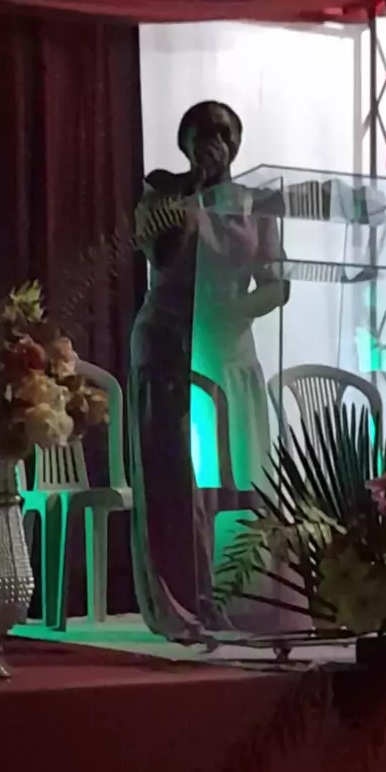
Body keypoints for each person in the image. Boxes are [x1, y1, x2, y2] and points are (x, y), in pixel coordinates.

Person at [128, 101, 289, 642]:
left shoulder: (257, 202)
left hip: (228, 347)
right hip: (170, 347)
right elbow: (162, 255)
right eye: (203, 134)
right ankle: (183, 602)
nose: (214, 142)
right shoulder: (162, 191)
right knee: (180, 476)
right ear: (185, 142)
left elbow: (276, 284)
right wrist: (193, 194)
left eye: (224, 133)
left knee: (240, 474)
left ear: (238, 143)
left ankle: (242, 597)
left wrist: (232, 312)